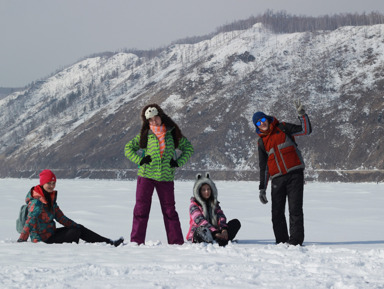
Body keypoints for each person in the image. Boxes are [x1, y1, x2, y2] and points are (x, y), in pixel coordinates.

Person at [124, 104, 194, 245]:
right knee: (140, 210)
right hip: (146, 176)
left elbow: (188, 148)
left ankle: (176, 243)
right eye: (150, 120)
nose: (153, 122)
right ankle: (136, 242)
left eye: (155, 118)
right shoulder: (145, 135)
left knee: (169, 211)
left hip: (166, 178)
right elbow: (128, 148)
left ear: (161, 116)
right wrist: (140, 160)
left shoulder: (172, 133)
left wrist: (178, 162)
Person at [253, 99, 312, 246]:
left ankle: (295, 242)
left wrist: (302, 115)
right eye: (259, 123)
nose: (262, 123)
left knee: (295, 210)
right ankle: (281, 242)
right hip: (277, 179)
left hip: (295, 175)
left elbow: (306, 130)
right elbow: (264, 167)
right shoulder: (261, 142)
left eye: (263, 120)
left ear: (267, 118)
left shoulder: (283, 127)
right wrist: (262, 188)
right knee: (277, 213)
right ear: (257, 126)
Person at [17, 169, 124, 246]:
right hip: (42, 240)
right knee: (75, 232)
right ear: (42, 183)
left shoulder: (49, 199)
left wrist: (75, 225)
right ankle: (102, 243)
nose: (51, 186)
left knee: (78, 228)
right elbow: (30, 220)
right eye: (49, 183)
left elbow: (61, 218)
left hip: (51, 233)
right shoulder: (37, 201)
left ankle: (108, 242)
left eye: (53, 183)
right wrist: (22, 239)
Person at [186, 172, 241, 246]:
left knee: (235, 223)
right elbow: (200, 221)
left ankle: (221, 239)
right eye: (204, 190)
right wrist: (214, 232)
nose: (207, 192)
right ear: (199, 191)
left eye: (208, 189)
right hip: (202, 233)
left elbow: (221, 216)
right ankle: (219, 240)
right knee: (201, 229)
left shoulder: (214, 204)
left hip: (216, 233)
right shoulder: (194, 205)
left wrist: (223, 229)